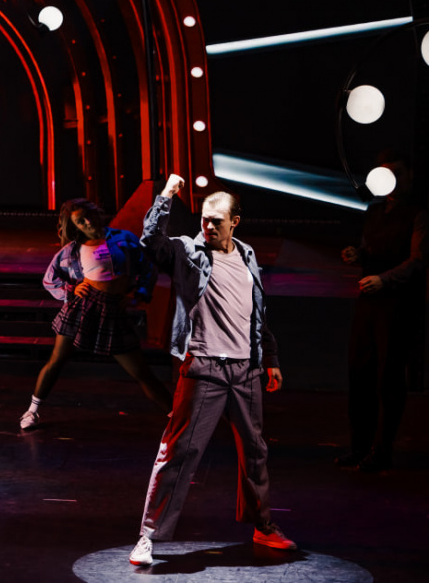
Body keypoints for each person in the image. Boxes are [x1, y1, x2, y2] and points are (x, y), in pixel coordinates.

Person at [129, 175, 296, 566]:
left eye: (216, 221)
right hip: (204, 367)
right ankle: (148, 536)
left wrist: (270, 359)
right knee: (179, 452)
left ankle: (262, 525)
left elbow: (256, 312)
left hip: (246, 371)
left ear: (234, 222)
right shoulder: (188, 251)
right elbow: (150, 241)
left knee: (255, 452)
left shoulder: (247, 254)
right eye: (204, 219)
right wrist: (166, 196)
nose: (208, 226)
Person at [18, 198, 172, 430]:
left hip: (113, 309)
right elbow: (50, 279)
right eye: (81, 221)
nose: (88, 223)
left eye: (89, 216)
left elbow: (148, 268)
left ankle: (176, 415)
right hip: (83, 307)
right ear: (75, 226)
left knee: (140, 370)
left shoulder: (124, 238)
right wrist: (70, 290)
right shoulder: (72, 249)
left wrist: (138, 294)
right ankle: (32, 411)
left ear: (97, 213)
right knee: (56, 361)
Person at [337, 150, 426, 472]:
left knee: (389, 377)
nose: (393, 180)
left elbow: (418, 260)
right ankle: (360, 447)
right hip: (369, 302)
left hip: (398, 305)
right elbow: (369, 249)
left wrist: (384, 279)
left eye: (398, 173)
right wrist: (357, 255)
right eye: (387, 173)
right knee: (359, 372)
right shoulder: (374, 211)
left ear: (410, 176)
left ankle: (382, 450)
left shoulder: (418, 213)